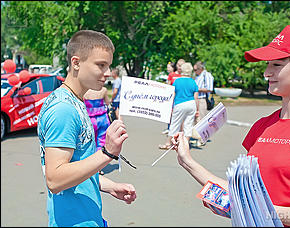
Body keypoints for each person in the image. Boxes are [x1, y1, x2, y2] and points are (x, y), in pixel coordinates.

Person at [171, 25, 290, 227]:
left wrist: (266, 212)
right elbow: (242, 194)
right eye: (267, 65)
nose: (267, 73)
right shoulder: (262, 126)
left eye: (277, 65)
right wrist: (187, 161)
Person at [37, 30, 136, 227]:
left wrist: (109, 186)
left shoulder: (74, 101)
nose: (107, 73)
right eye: (101, 65)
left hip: (87, 217)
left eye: (108, 65)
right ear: (76, 63)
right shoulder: (63, 109)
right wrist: (107, 153)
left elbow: (78, 165)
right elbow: (55, 180)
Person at [159, 62, 199, 150]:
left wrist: (170, 106)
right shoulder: (193, 82)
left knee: (175, 124)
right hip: (191, 103)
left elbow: (173, 94)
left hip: (180, 103)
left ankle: (168, 143)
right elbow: (196, 97)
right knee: (188, 125)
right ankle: (186, 144)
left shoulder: (177, 81)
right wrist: (197, 109)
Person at [83, 69, 111, 175]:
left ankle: (90, 165)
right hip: (102, 118)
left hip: (89, 119)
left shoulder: (86, 91)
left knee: (90, 142)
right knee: (101, 142)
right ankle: (98, 167)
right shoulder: (103, 90)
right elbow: (107, 103)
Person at [193, 61, 214, 146]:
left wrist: (196, 89)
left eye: (195, 70)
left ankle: (202, 139)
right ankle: (197, 138)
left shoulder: (207, 75)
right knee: (196, 119)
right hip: (196, 99)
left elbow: (209, 88)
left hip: (202, 99)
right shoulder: (197, 76)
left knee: (201, 119)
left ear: (200, 69)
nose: (194, 71)